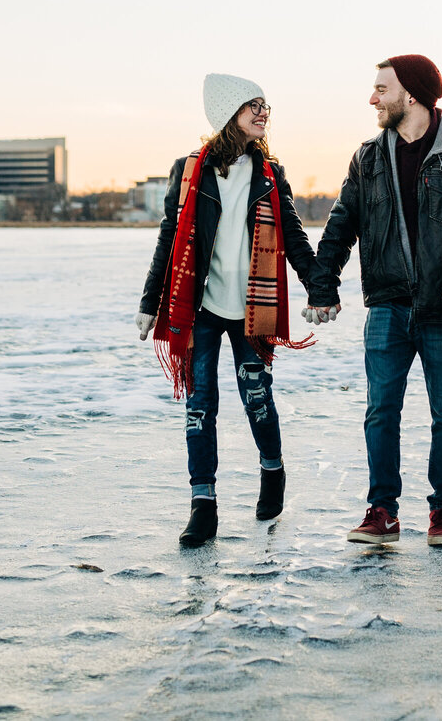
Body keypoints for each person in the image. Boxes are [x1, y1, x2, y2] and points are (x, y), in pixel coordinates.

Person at [306, 55, 442, 546]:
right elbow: (341, 225)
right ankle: (382, 511)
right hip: (388, 306)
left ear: (410, 94)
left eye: (381, 89)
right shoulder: (368, 156)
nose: (372, 99)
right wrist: (323, 285)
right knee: (380, 412)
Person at [138, 73, 325, 547]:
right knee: (200, 407)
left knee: (256, 398)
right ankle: (203, 507)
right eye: (253, 106)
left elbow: (295, 237)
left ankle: (272, 471)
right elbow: (168, 237)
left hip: (250, 307)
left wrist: (318, 288)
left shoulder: (269, 174)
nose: (263, 114)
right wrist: (149, 302)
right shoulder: (189, 171)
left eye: (266, 107)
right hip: (200, 306)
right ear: (228, 114)